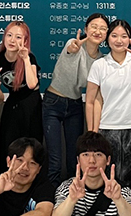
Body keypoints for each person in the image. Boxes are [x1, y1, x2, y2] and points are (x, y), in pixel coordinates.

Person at [85, 19, 131, 188]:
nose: (119, 40)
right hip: (107, 127)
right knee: (107, 177)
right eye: (114, 36)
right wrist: (92, 133)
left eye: (124, 36)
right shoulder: (99, 65)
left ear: (130, 39)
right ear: (107, 39)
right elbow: (90, 100)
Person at [43, 13, 108, 188]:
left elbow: (96, 94)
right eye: (94, 26)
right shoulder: (74, 44)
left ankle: (73, 196)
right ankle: (51, 198)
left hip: (75, 105)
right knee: (55, 159)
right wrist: (73, 47)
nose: (97, 31)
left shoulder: (101, 60)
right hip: (53, 102)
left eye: (103, 28)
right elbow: (71, 49)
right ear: (86, 29)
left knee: (75, 158)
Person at [0, 20, 44, 173]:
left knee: (32, 148)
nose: (12, 40)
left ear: (25, 41)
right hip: (12, 104)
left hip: (32, 106)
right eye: (9, 35)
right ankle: (6, 180)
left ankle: (31, 181)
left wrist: (25, 59)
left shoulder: (30, 58)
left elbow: (32, 84)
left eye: (18, 37)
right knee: (8, 146)